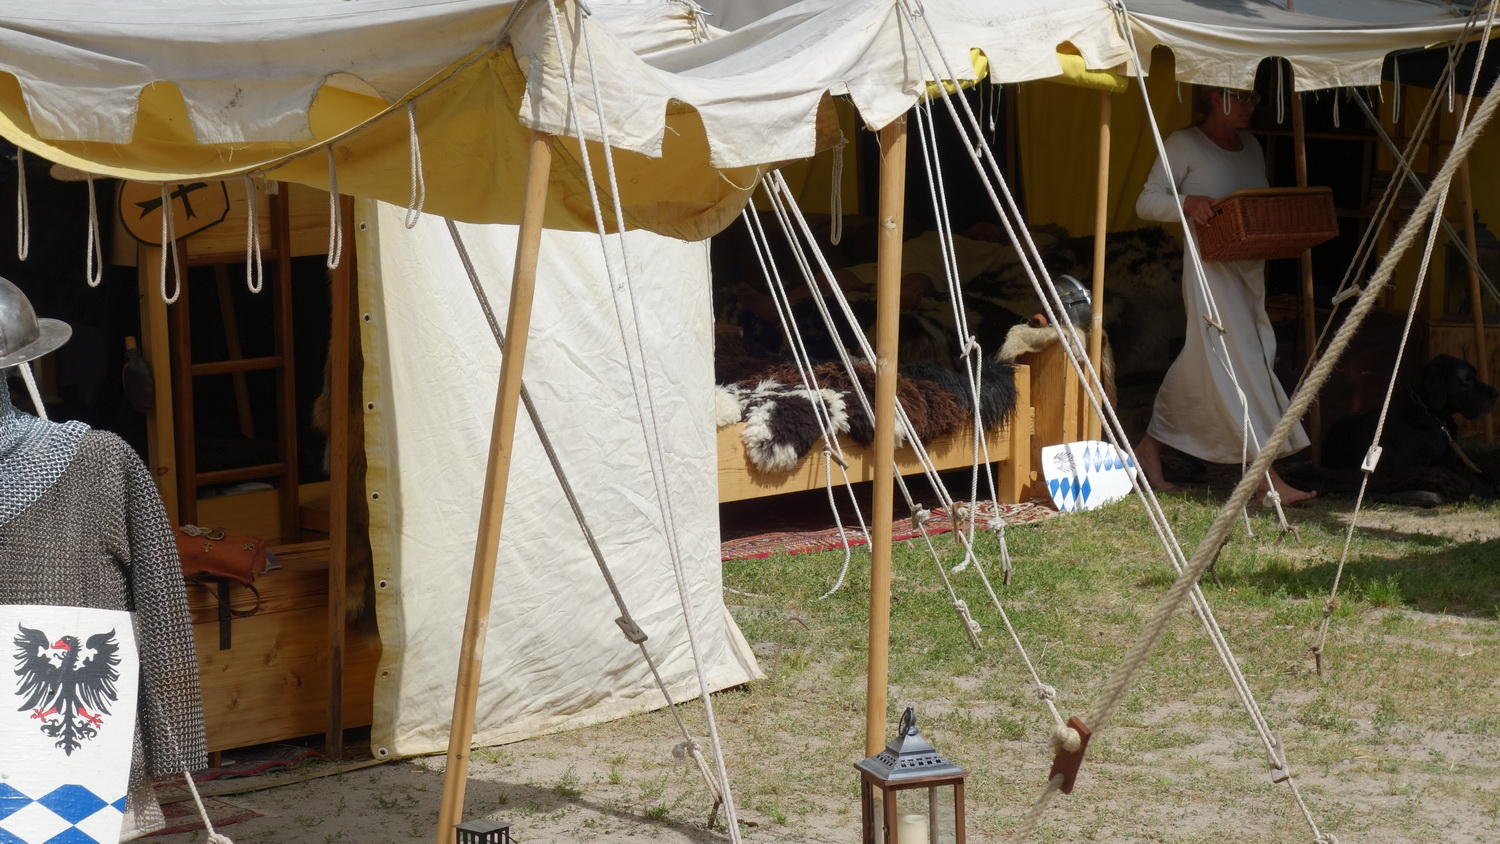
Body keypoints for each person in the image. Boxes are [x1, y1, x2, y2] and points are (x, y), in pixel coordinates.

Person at [1133, 86, 1316, 505]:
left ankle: (1149, 447)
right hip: (1208, 272)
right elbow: (1146, 201)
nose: (1251, 106)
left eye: (1255, 98)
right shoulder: (1185, 143)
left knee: (1205, 363)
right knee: (1241, 362)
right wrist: (1187, 202)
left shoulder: (1252, 146)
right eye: (1242, 97)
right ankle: (1264, 479)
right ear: (1216, 96)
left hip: (1249, 270)